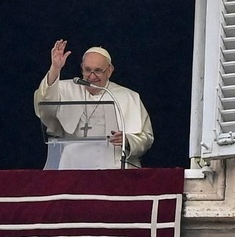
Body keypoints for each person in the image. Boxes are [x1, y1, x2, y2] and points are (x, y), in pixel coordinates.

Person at [34, 41, 154, 169]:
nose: (91, 76)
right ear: (81, 68)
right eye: (87, 70)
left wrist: (128, 141)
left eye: (97, 71)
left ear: (109, 71)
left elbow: (146, 137)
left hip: (114, 165)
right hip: (74, 164)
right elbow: (45, 104)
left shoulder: (128, 96)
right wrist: (55, 68)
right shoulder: (66, 89)